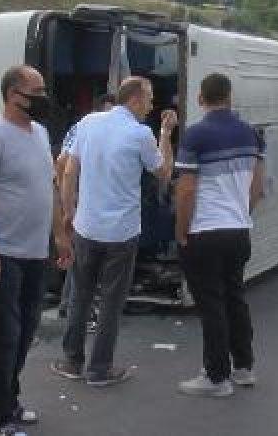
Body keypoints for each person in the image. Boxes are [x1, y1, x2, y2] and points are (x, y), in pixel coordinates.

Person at [0, 65, 69, 436]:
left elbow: (49, 188)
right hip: (2, 254)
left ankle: (11, 401)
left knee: (24, 333)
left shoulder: (39, 133)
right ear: (13, 95)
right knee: (4, 337)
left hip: (35, 254)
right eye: (35, 91)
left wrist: (60, 235)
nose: (42, 98)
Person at [52, 77, 176, 387]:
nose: (150, 106)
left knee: (80, 294)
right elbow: (163, 171)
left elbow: (68, 170)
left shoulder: (89, 122)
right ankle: (100, 369)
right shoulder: (141, 134)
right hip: (121, 233)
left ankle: (71, 361)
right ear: (134, 99)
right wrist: (166, 133)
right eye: (148, 99)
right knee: (110, 301)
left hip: (87, 226)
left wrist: (69, 213)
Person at [173, 73, 264, 397]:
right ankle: (244, 367)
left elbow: (185, 191)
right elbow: (257, 185)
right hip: (238, 230)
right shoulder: (251, 134)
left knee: (211, 304)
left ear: (201, 98)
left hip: (205, 232)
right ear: (229, 96)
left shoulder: (195, 136)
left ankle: (216, 377)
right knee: (234, 297)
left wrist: (181, 230)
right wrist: (243, 213)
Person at [55, 93, 115, 318]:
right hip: (82, 200)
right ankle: (76, 308)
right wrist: (69, 199)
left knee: (79, 255)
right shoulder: (85, 129)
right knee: (84, 257)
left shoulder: (83, 129)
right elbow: (62, 164)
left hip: (81, 198)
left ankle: (67, 303)